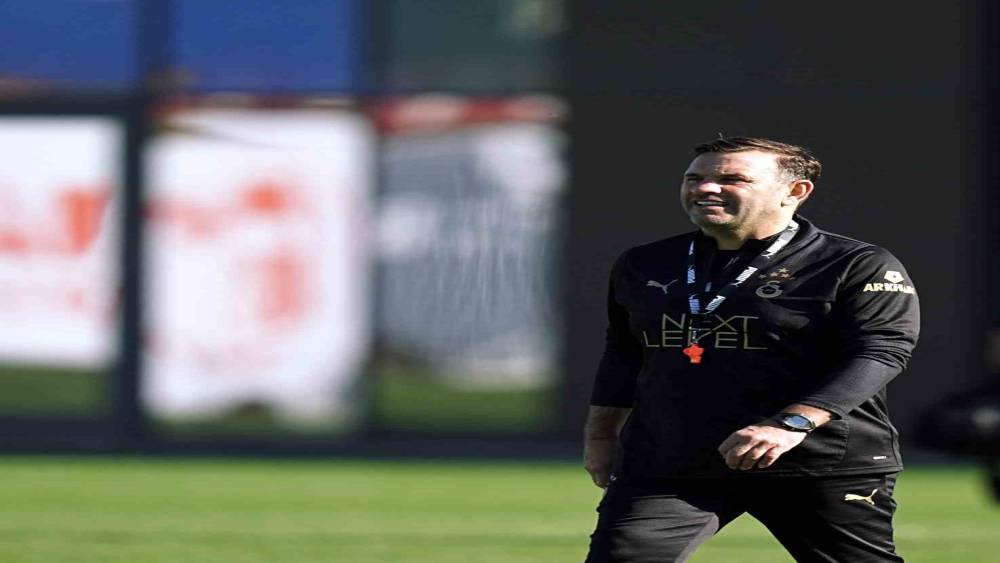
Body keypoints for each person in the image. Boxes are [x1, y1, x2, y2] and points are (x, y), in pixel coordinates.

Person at [583, 136, 920, 562]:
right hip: (671, 461)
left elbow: (883, 351)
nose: (706, 188)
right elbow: (624, 353)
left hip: (815, 460)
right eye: (694, 178)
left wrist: (791, 423)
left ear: (795, 191)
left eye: (732, 179)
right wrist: (600, 435)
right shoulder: (644, 263)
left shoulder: (856, 263)